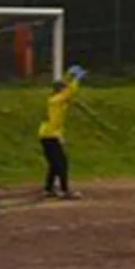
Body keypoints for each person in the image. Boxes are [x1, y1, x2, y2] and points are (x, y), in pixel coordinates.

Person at [38, 64, 87, 199]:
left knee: (54, 163)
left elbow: (67, 91)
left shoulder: (54, 100)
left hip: (47, 133)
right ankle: (65, 190)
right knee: (62, 163)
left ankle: (48, 188)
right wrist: (76, 79)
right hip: (50, 134)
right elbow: (70, 91)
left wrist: (68, 77)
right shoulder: (57, 100)